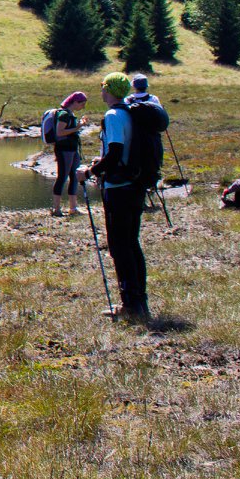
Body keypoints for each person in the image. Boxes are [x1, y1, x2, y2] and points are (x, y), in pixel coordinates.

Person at [82, 71, 165, 323]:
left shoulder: (113, 115)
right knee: (131, 243)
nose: (101, 92)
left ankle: (129, 305)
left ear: (109, 90)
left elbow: (116, 153)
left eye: (103, 88)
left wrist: (90, 171)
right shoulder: (131, 112)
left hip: (119, 188)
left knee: (119, 246)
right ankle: (140, 302)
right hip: (136, 184)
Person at [42, 91, 87, 217]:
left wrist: (79, 126)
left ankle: (73, 208)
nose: (83, 107)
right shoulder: (64, 114)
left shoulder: (70, 114)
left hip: (72, 149)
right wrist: (78, 128)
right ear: (75, 102)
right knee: (62, 177)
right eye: (82, 104)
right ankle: (56, 209)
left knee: (74, 176)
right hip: (64, 150)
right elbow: (60, 132)